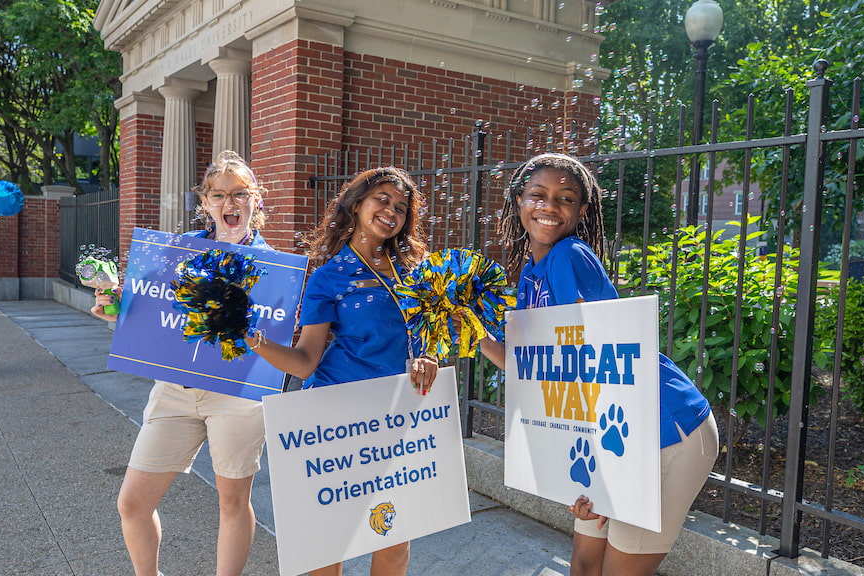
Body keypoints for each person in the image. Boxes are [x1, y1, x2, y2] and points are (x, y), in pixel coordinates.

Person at [478, 153, 719, 576]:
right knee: (585, 565)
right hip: (606, 434)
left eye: (566, 198)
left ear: (582, 210)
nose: (549, 206)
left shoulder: (568, 254)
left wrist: (613, 473)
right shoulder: (531, 274)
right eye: (538, 194)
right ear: (518, 201)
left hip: (666, 432)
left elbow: (591, 356)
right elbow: (531, 367)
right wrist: (468, 328)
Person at [244, 166, 438, 576]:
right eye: (382, 200)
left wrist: (429, 356)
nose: (392, 211)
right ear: (356, 204)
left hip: (398, 412)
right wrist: (254, 340)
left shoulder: (416, 271)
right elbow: (305, 359)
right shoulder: (328, 276)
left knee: (395, 536)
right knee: (328, 540)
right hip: (335, 415)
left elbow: (427, 334)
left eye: (401, 207)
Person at [90, 150, 271, 576]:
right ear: (205, 203)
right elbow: (148, 310)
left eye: (240, 193)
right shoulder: (178, 252)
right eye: (219, 194)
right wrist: (115, 307)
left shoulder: (275, 264)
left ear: (255, 200)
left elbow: (280, 337)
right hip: (175, 390)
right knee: (132, 504)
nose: (231, 203)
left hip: (237, 393)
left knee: (232, 501)